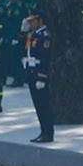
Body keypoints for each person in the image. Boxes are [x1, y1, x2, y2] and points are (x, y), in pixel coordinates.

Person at [22, 12, 54, 143]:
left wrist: (42, 77)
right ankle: (43, 131)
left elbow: (45, 59)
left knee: (44, 105)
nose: (30, 24)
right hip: (32, 72)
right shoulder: (34, 34)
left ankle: (48, 133)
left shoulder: (44, 36)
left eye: (32, 21)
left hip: (40, 74)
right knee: (38, 105)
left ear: (40, 20)